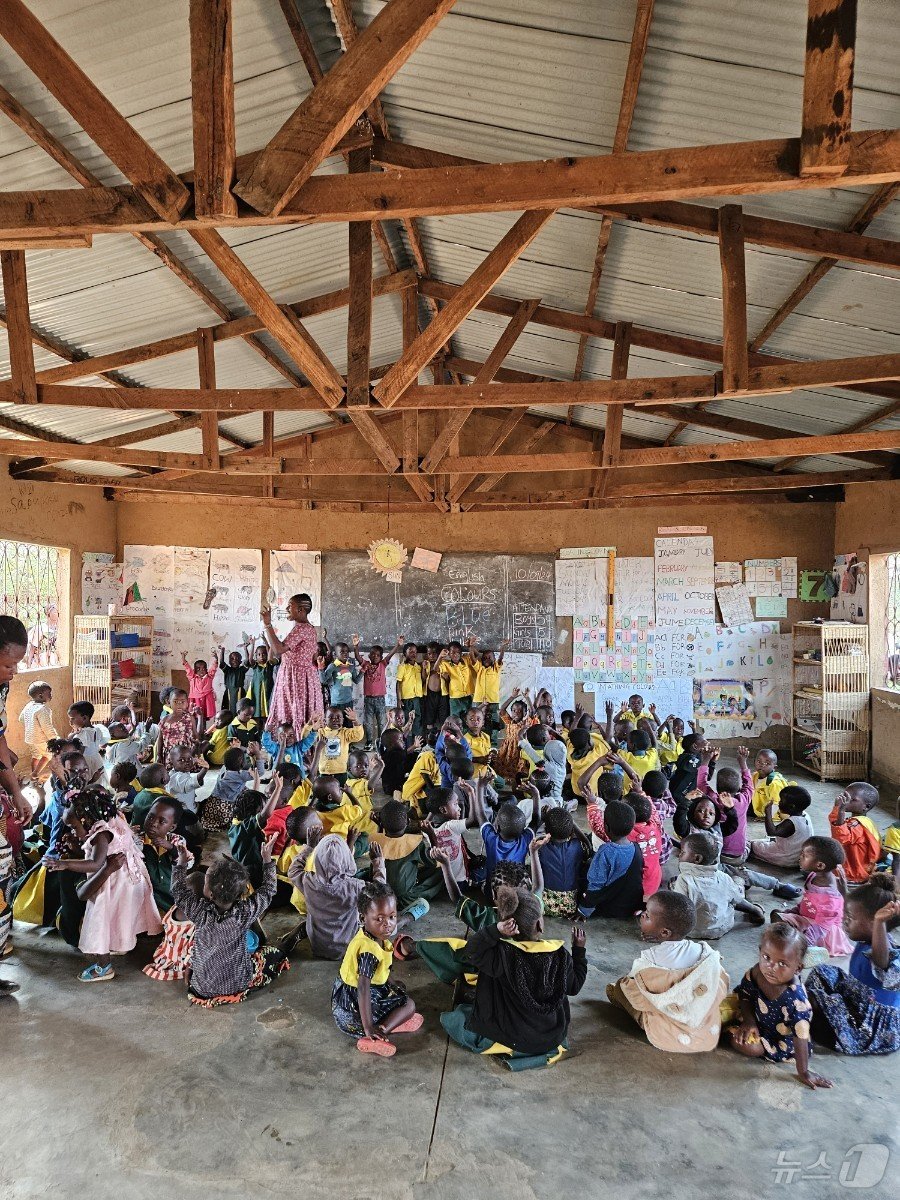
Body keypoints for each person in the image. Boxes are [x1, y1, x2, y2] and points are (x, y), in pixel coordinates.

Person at [440, 884, 587, 1070]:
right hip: (550, 1037)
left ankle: (512, 1048)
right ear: (540, 924)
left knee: (455, 1018)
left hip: (512, 1037)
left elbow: (472, 951)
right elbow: (575, 987)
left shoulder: (500, 955)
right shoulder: (561, 955)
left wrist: (494, 931)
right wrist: (579, 951)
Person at [45, 785, 162, 982]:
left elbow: (96, 863)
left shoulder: (101, 834)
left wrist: (64, 863)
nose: (73, 832)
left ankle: (103, 966)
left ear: (86, 819)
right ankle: (118, 945)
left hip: (112, 882)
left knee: (98, 921)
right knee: (119, 917)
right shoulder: (114, 818)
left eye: (74, 827)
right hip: (129, 879)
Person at [171, 831, 288, 1007]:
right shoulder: (245, 912)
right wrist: (267, 860)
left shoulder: (199, 913)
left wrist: (181, 863)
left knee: (201, 956)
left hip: (202, 988)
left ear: (209, 894)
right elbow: (269, 889)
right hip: (238, 984)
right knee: (271, 954)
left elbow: (178, 890)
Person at [607, 890, 731, 1053]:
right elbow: (723, 983)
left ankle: (638, 1016)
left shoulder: (649, 959)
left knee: (621, 987)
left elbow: (635, 988)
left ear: (665, 932)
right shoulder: (704, 952)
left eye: (648, 916)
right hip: (705, 1035)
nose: (643, 916)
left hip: (668, 1036)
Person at [727, 923, 832, 1090]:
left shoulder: (797, 1002)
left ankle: (725, 1033)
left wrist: (803, 1072)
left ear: (798, 968)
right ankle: (733, 1027)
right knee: (722, 1008)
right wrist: (749, 1022)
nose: (772, 967)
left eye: (782, 963)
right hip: (755, 1017)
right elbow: (745, 995)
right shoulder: (756, 972)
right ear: (760, 952)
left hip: (779, 1038)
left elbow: (800, 1036)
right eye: (767, 957)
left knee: (749, 1047)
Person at [807, 879, 900, 1055]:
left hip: (867, 1024)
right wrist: (844, 892)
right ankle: (808, 1009)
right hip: (856, 997)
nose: (844, 922)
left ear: (874, 924)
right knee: (822, 972)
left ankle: (803, 1014)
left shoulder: (883, 950)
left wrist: (880, 923)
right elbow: (860, 915)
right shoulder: (869, 936)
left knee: (818, 1011)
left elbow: (882, 963)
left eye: (849, 918)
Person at [332, 880, 423, 1057]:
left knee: (399, 992)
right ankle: (378, 1033)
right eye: (379, 919)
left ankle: (390, 1022)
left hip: (348, 998)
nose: (387, 923)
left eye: (392, 916)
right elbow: (363, 987)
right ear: (362, 918)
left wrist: (391, 982)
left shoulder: (372, 935)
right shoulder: (368, 951)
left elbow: (381, 970)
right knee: (409, 1005)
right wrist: (368, 1027)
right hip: (353, 1013)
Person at [291, 834, 387, 960]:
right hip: (348, 948)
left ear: (317, 859)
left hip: (318, 946)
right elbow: (380, 892)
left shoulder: (308, 881)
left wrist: (309, 847)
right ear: (347, 859)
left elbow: (293, 870)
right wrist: (378, 862)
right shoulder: (355, 886)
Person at [673, 832, 764, 938]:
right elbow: (738, 897)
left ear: (697, 859)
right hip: (721, 927)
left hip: (693, 931)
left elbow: (679, 911)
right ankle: (754, 910)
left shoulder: (683, 880)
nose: (679, 855)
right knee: (730, 894)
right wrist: (739, 881)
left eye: (683, 852)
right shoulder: (723, 877)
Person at [774, 836, 854, 956]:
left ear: (820, 865)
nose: (800, 858)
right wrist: (794, 911)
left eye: (804, 856)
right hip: (809, 918)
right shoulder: (813, 875)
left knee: (787, 936)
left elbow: (822, 926)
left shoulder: (830, 896)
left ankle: (808, 948)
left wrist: (806, 943)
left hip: (823, 931)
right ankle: (795, 937)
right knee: (775, 915)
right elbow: (807, 900)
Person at [261, 594, 323, 739]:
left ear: (300, 610)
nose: (287, 608)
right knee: (297, 712)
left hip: (296, 680)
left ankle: (290, 747)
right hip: (301, 678)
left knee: (294, 712)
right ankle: (298, 748)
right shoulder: (309, 628)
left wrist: (268, 625)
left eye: (290, 605)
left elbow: (278, 650)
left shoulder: (301, 629)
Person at [369, 800, 443, 917]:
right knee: (440, 870)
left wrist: (380, 826)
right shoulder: (414, 844)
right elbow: (437, 858)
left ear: (382, 824)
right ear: (408, 822)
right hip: (404, 898)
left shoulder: (374, 841)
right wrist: (431, 834)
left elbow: (382, 840)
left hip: (380, 893)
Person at [579, 800, 644, 919]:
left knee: (582, 872)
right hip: (629, 905)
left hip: (610, 909)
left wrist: (583, 910)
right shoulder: (636, 847)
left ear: (606, 827)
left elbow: (595, 885)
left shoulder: (606, 851)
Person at [0, 617, 34, 840]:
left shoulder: (2, 686)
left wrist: (15, 791)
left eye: (17, 664)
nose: (15, 671)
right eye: (8, 665)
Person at [531, 807, 589, 919]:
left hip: (544, 905)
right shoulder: (579, 845)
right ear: (572, 830)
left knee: (532, 867)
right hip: (571, 906)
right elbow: (587, 843)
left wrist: (542, 820)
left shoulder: (541, 848)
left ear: (546, 831)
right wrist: (572, 824)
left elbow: (531, 838)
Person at [228, 780, 284, 889]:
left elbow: (251, 801)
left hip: (244, 866)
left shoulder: (237, 822)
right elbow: (266, 814)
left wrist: (256, 782)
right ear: (255, 812)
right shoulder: (246, 828)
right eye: (262, 808)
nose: (264, 809)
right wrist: (278, 789)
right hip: (253, 872)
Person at [352, 634, 401, 748]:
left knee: (382, 722)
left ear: (380, 657)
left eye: (378, 655)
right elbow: (358, 656)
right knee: (368, 722)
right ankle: (369, 741)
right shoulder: (366, 664)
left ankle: (382, 742)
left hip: (380, 699)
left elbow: (390, 654)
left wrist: (398, 645)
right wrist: (356, 646)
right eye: (372, 654)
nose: (374, 656)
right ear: (369, 655)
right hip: (368, 699)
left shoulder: (383, 664)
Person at [750, 784, 815, 870]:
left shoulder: (791, 823)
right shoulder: (805, 816)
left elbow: (771, 832)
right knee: (766, 840)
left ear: (792, 807)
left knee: (752, 844)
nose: (779, 803)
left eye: (781, 801)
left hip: (786, 858)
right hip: (797, 857)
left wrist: (768, 813)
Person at [829, 783, 882, 883]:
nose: (846, 801)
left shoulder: (857, 824)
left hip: (852, 874)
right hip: (859, 869)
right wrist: (837, 808)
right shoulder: (863, 821)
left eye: (852, 799)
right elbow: (836, 824)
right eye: (845, 796)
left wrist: (840, 811)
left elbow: (841, 839)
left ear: (866, 807)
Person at [305, 706, 364, 787]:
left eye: (338, 717)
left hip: (341, 771)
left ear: (343, 720)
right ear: (325, 720)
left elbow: (358, 735)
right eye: (331, 717)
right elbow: (305, 739)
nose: (335, 719)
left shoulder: (345, 733)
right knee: (325, 794)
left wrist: (355, 720)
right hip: (324, 772)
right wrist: (311, 726)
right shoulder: (320, 732)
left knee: (341, 795)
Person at [18, 679, 57, 782]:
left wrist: (31, 725)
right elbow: (47, 727)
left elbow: (21, 718)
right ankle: (35, 774)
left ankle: (33, 776)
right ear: (40, 696)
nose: (51, 695)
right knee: (48, 755)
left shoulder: (29, 706)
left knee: (36, 755)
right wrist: (54, 739)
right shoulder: (42, 710)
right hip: (41, 739)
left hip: (30, 738)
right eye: (49, 694)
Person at [68, 701, 110, 783]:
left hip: (86, 762)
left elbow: (80, 753)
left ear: (84, 718)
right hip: (97, 759)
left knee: (87, 783)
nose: (70, 722)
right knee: (99, 781)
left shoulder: (83, 733)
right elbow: (103, 745)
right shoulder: (97, 729)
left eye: (72, 718)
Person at [471, 642, 508, 734]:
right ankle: (478, 737)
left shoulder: (496, 668)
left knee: (494, 720)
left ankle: (493, 742)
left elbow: (500, 658)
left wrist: (503, 646)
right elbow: (473, 658)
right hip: (479, 699)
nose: (487, 659)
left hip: (493, 700)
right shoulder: (480, 668)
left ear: (494, 659)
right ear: (481, 659)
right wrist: (470, 647)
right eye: (485, 658)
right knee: (477, 719)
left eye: (489, 657)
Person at [155, 690, 197, 770]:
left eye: (182, 702)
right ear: (169, 702)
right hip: (171, 755)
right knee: (172, 776)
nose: (179, 704)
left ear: (187, 703)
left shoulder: (189, 718)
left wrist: (195, 748)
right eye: (175, 701)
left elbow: (195, 734)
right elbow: (160, 739)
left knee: (186, 776)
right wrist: (159, 755)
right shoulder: (164, 720)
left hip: (186, 755)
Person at [438, 639, 476, 719]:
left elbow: (476, 657)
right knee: (455, 719)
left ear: (461, 653)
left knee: (469, 718)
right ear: (449, 654)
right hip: (455, 697)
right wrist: (440, 656)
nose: (455, 655)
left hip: (468, 696)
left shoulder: (466, 660)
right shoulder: (445, 664)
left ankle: (466, 732)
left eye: (458, 652)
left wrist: (470, 647)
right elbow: (435, 670)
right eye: (452, 653)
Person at [395, 641, 425, 739]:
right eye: (410, 651)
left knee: (418, 719)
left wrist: (423, 667)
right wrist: (399, 699)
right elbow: (398, 683)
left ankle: (418, 742)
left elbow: (423, 679)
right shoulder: (402, 667)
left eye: (415, 652)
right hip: (406, 699)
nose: (413, 654)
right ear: (405, 653)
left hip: (417, 698)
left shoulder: (418, 667)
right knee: (407, 720)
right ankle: (406, 742)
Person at [319, 642, 360, 711]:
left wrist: (363, 671)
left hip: (348, 701)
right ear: (336, 654)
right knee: (337, 721)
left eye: (347, 651)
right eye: (342, 652)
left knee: (348, 721)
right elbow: (323, 680)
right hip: (336, 702)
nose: (345, 653)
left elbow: (356, 680)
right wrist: (320, 668)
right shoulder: (333, 666)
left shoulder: (351, 665)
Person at [750, 749, 789, 820]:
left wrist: (767, 817)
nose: (761, 765)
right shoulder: (755, 776)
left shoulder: (774, 783)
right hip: (758, 806)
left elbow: (776, 804)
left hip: (772, 812)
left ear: (774, 767)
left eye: (767, 763)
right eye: (759, 761)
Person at [422, 643, 449, 743]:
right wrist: (424, 669)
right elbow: (424, 678)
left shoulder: (444, 663)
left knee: (443, 719)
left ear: (439, 653)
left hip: (442, 695)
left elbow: (448, 678)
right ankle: (430, 740)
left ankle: (443, 741)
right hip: (429, 695)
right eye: (429, 653)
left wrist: (446, 677)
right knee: (430, 719)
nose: (432, 655)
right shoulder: (426, 664)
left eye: (434, 653)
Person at [181, 651, 219, 722]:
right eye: (198, 669)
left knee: (204, 716)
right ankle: (196, 730)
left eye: (203, 669)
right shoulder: (192, 677)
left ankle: (202, 729)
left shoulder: (209, 676)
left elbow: (213, 668)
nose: (201, 671)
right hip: (196, 700)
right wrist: (183, 658)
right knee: (195, 715)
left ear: (207, 670)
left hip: (206, 700)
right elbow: (188, 668)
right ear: (194, 670)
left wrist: (216, 659)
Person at [245, 644, 277, 722]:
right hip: (256, 690)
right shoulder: (255, 665)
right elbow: (250, 659)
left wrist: (266, 641)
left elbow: (270, 655)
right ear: (256, 656)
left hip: (268, 689)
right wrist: (253, 644)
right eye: (259, 655)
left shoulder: (269, 664)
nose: (262, 657)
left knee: (268, 706)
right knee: (257, 707)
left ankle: (266, 725)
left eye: (264, 654)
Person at [219, 644, 249, 715]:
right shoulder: (227, 670)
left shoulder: (242, 670)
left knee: (240, 709)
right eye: (232, 659)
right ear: (229, 661)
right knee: (228, 710)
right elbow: (221, 662)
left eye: (237, 659)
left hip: (240, 692)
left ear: (241, 662)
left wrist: (245, 649)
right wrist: (222, 651)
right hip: (229, 693)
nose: (234, 661)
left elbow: (247, 661)